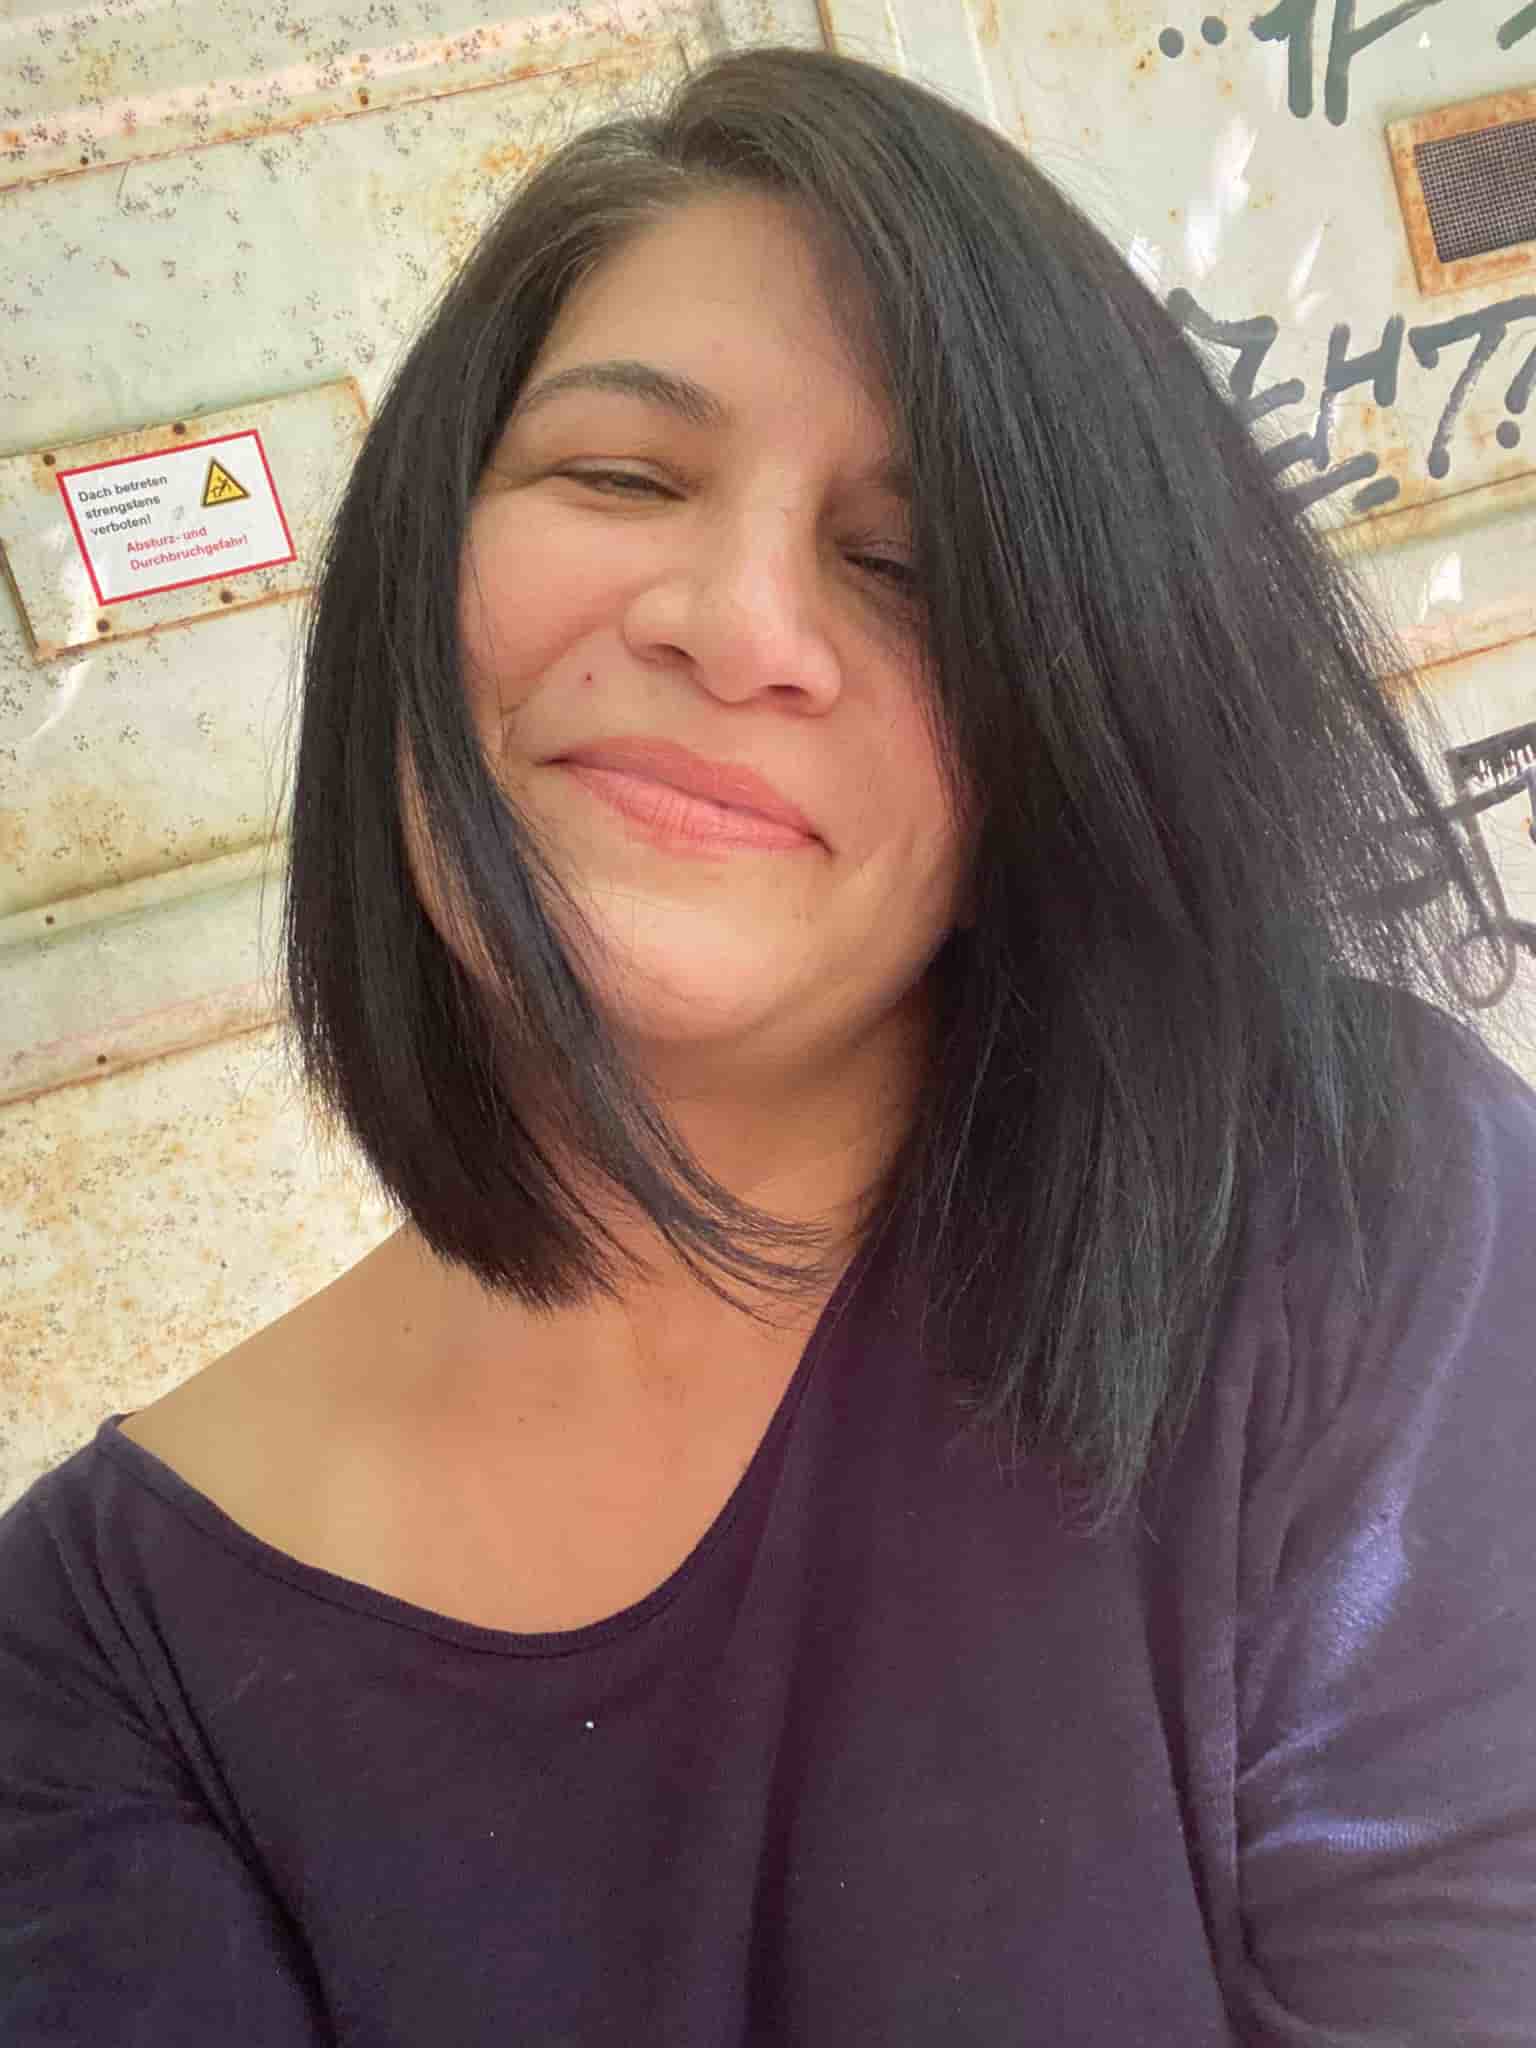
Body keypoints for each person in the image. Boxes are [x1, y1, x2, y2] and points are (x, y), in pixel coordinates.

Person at [2, 43, 1533, 2045]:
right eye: (621, 476)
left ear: (1060, 738)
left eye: (903, 566)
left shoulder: (1346, 1205)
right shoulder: (81, 1666)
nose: (736, 625)